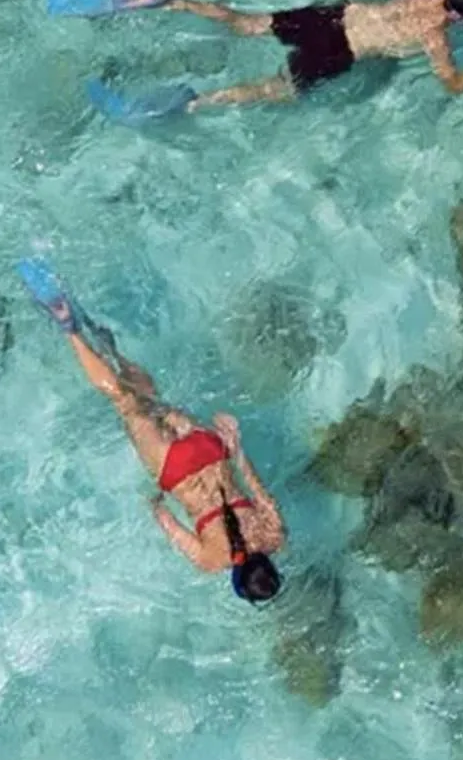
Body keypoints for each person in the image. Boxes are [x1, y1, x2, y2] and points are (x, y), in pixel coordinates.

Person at [17, 257, 286, 602]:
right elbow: (166, 522)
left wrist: (236, 448)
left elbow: (255, 485)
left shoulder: (275, 535)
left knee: (145, 394)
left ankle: (105, 343)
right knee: (122, 400)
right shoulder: (211, 560)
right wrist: (155, 503)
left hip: (209, 451)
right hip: (174, 471)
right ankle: (69, 328)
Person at [45, 0, 463, 120]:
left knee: (244, 23)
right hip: (340, 52)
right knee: (273, 89)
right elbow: (455, 85)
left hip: (335, 15)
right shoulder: (434, 35)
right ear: (458, 22)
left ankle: (167, 2)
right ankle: (191, 102)